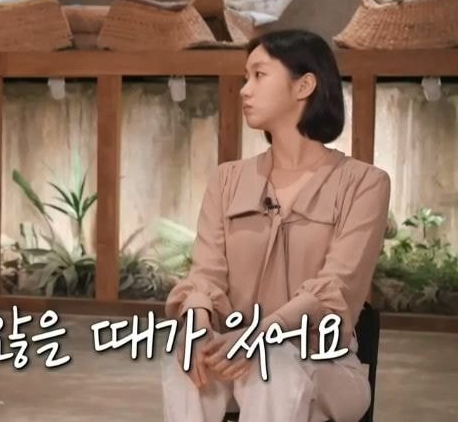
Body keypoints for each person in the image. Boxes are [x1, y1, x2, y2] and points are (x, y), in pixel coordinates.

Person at [161, 29, 391, 422]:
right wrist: (197, 328)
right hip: (233, 352)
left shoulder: (365, 183)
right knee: (182, 362)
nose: (244, 90)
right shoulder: (226, 179)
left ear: (304, 86)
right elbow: (205, 276)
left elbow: (336, 286)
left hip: (323, 364)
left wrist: (260, 335)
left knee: (273, 364)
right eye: (245, 77)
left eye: (259, 75)